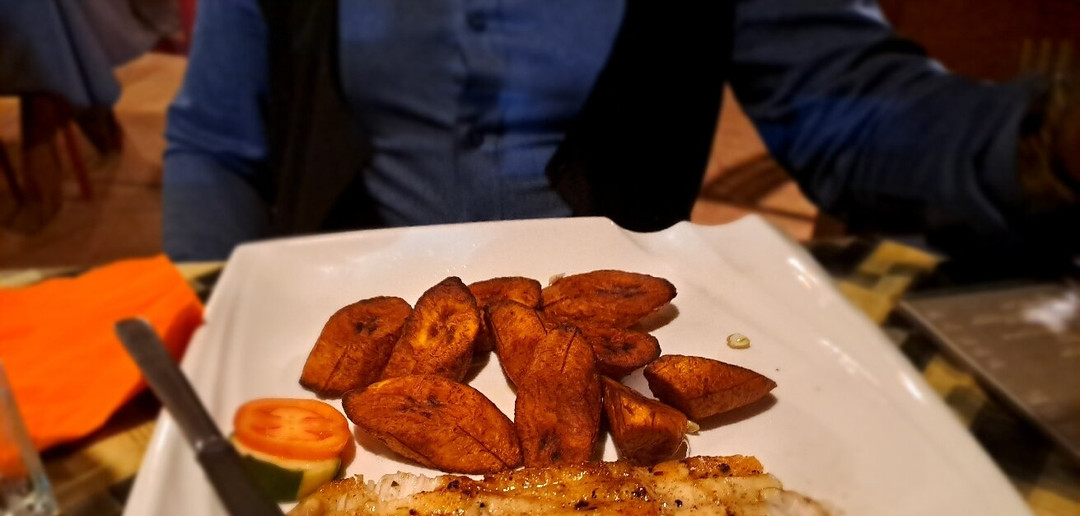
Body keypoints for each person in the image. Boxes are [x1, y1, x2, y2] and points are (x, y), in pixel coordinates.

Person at [162, 0, 1079, 263]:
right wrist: (218, 329)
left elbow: (851, 112)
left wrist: (1045, 143)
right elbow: (216, 147)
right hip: (346, 319)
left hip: (621, 337)